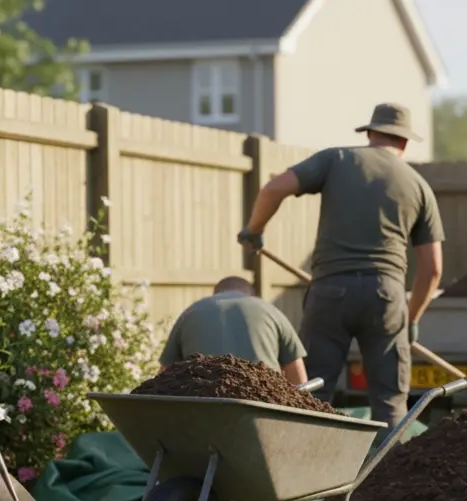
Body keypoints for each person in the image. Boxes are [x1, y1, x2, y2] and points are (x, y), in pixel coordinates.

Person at [236, 102, 445, 440]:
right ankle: (389, 471)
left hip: (330, 293)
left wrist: (254, 230)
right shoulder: (419, 186)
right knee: (390, 402)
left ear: (370, 133)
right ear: (404, 142)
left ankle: (308, 469)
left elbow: (273, 189)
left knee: (312, 395)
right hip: (386, 297)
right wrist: (411, 320)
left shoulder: (336, 160)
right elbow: (432, 270)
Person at [158, 275, 308, 384]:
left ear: (216, 294)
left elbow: (163, 378)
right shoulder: (271, 312)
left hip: (201, 402)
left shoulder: (190, 313)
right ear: (251, 295)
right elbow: (298, 379)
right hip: (264, 403)